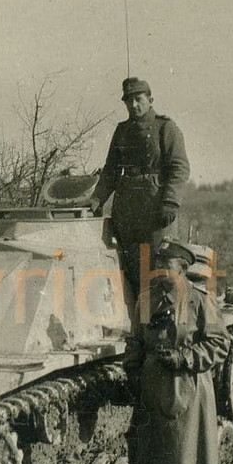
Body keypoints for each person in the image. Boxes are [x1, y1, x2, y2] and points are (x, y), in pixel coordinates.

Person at [123, 240, 230, 464]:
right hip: (156, 390)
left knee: (192, 453)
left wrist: (186, 358)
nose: (160, 270)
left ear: (182, 270)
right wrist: (132, 368)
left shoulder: (198, 300)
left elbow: (220, 343)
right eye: (157, 264)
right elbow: (136, 341)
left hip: (190, 387)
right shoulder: (147, 300)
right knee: (171, 455)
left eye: (167, 265)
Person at [94, 77, 190, 301]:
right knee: (131, 269)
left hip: (156, 211)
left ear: (150, 100)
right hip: (127, 212)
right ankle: (137, 325)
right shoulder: (122, 131)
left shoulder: (165, 128)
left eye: (138, 100)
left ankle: (159, 328)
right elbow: (111, 171)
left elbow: (180, 168)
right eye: (129, 102)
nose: (134, 106)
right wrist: (96, 200)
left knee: (160, 270)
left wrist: (170, 202)